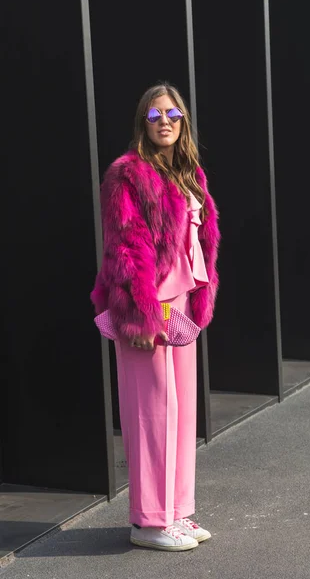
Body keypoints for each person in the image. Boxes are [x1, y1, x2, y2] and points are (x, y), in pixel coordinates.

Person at [90, 83, 220, 552]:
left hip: (181, 305)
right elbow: (123, 248)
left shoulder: (190, 173)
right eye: (154, 115)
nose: (164, 121)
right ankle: (148, 521)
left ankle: (177, 511)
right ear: (142, 123)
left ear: (183, 121)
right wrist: (138, 315)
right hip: (148, 306)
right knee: (152, 413)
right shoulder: (128, 174)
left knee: (181, 413)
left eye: (172, 114)